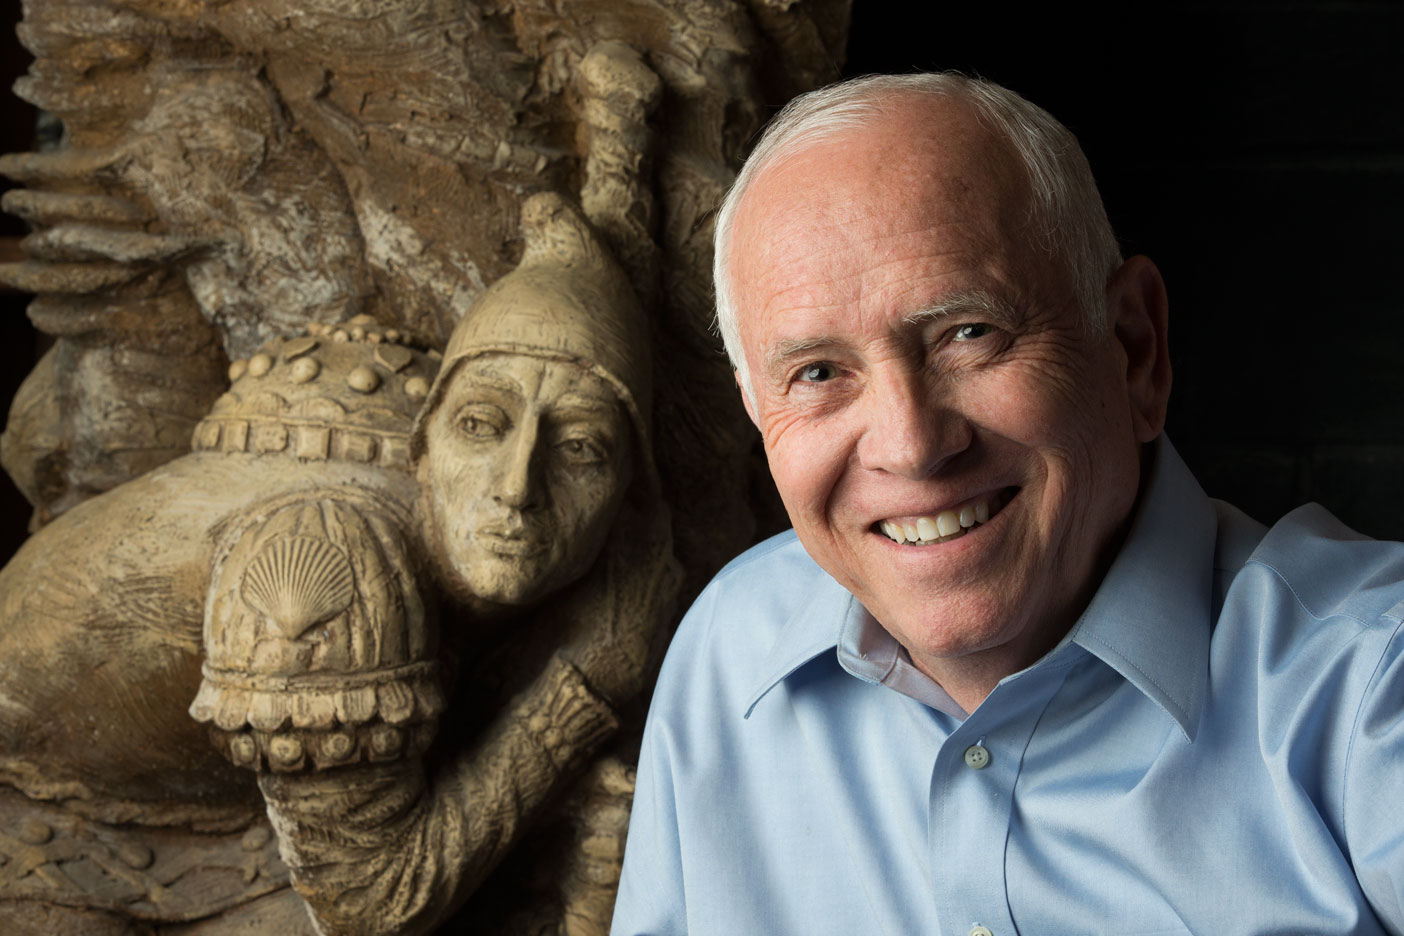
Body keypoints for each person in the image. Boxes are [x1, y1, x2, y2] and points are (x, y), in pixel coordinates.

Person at [611, 73, 1404, 935]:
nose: (911, 446)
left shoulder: (1371, 695)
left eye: (967, 333)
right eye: (818, 374)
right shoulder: (730, 653)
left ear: (1135, 349)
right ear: (758, 412)